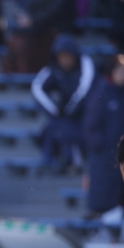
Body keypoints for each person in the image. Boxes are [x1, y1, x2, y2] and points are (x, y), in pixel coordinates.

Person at [84, 54, 124, 216]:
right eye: (119, 70)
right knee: (105, 203)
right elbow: (91, 125)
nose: (123, 74)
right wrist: (103, 147)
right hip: (106, 159)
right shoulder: (100, 95)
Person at [31, 34, 95, 173]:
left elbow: (84, 90)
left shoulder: (85, 64)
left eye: (68, 55)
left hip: (87, 114)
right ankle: (57, 159)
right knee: (56, 126)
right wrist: (55, 110)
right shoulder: (53, 68)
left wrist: (67, 110)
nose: (65, 60)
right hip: (64, 116)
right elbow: (37, 87)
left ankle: (71, 160)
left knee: (64, 126)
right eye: (61, 56)